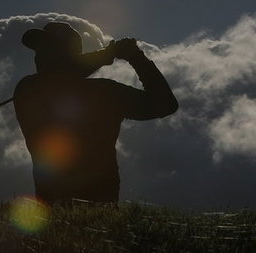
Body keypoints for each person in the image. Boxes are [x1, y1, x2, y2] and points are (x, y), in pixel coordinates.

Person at [12, 22, 178, 205]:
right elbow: (165, 104)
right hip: (96, 207)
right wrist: (131, 57)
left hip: (55, 210)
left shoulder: (27, 90)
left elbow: (167, 105)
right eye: (38, 51)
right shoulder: (106, 93)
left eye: (46, 50)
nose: (38, 57)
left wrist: (108, 55)